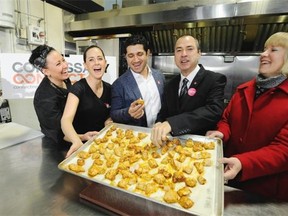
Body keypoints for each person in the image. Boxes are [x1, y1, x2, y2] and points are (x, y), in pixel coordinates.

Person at [206, 32, 288, 201]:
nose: (263, 54)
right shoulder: (244, 90)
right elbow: (226, 119)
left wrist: (244, 163)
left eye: (274, 50)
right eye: (265, 49)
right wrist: (222, 133)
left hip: (264, 190)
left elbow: (283, 150)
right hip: (231, 179)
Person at [151, 35, 227, 146]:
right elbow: (164, 113)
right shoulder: (170, 84)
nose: (183, 54)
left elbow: (213, 111)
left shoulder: (214, 80)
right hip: (171, 147)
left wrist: (172, 124)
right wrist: (159, 123)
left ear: (199, 53)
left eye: (189, 49)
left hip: (200, 147)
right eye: (179, 50)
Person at [61, 45, 112, 157]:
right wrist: (77, 141)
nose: (96, 63)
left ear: (105, 62)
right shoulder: (78, 89)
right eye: (91, 60)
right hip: (80, 146)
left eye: (100, 58)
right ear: (85, 65)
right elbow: (65, 120)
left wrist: (109, 121)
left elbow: (109, 114)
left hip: (102, 147)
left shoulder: (110, 88)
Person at [110, 34, 165, 127]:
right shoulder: (118, 84)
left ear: (147, 53)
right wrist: (128, 112)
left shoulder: (159, 76)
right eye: (131, 56)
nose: (136, 60)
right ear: (126, 57)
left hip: (161, 134)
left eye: (140, 54)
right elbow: (114, 114)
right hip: (138, 137)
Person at [29, 45, 72, 151]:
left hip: (75, 137)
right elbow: (58, 132)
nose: (65, 65)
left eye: (63, 60)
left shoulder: (65, 80)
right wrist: (82, 137)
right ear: (46, 71)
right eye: (58, 64)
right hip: (58, 148)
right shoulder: (43, 98)